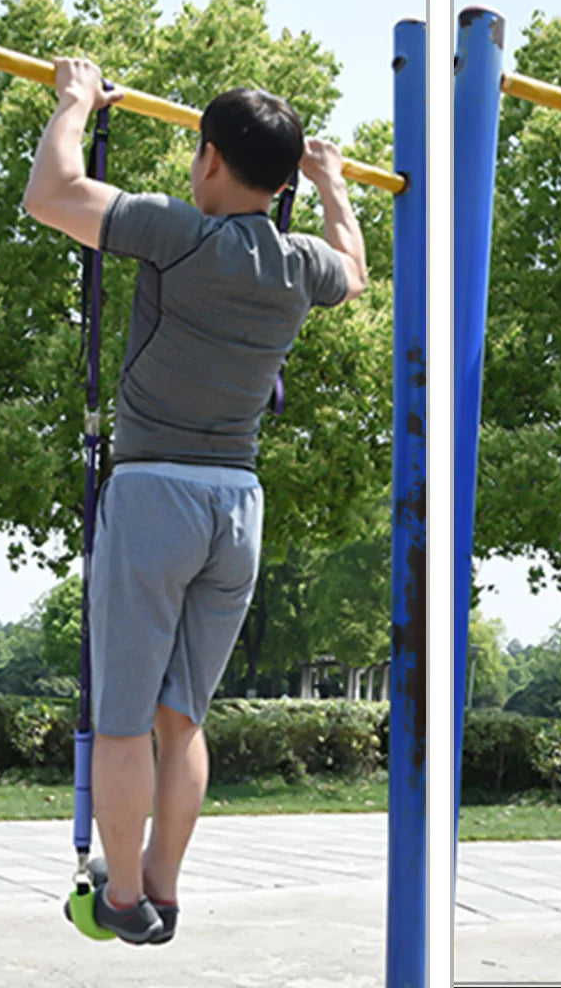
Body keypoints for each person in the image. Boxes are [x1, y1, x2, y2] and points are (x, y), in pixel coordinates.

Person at [24, 58, 366, 940]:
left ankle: (125, 897)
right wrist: (332, 188)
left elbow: (51, 194)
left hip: (154, 496)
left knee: (127, 720)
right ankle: (162, 888)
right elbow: (356, 270)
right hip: (236, 509)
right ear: (283, 180)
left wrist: (73, 101)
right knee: (184, 719)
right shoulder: (300, 265)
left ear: (208, 158)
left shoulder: (175, 232)